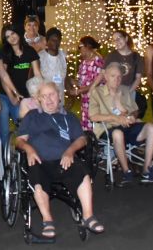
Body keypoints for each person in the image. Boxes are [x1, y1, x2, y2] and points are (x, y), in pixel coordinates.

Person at [17, 82, 104, 239]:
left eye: (52, 95)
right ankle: (47, 220)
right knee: (37, 180)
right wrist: (29, 149)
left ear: (59, 97)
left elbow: (81, 139)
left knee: (82, 173)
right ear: (38, 100)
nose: (48, 99)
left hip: (65, 159)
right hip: (39, 160)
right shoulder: (32, 116)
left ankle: (88, 216)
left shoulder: (69, 117)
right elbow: (19, 140)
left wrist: (70, 151)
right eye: (44, 96)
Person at [90, 61, 153, 185]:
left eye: (119, 77)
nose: (116, 80)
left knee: (152, 128)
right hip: (108, 129)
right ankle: (126, 172)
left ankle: (147, 169)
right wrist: (115, 118)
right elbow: (93, 116)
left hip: (128, 126)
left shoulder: (125, 90)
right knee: (117, 133)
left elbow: (134, 111)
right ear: (105, 76)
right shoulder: (97, 92)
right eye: (113, 76)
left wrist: (132, 116)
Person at [0, 24, 42, 131]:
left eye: (13, 33)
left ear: (17, 33)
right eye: (8, 37)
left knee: (23, 125)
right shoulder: (5, 53)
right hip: (5, 94)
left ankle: (22, 146)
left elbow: (37, 74)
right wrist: (12, 96)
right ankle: (4, 147)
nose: (12, 38)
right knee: (4, 126)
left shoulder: (30, 51)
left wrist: (40, 93)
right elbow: (3, 77)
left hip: (23, 96)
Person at [105, 30, 146, 118]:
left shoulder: (136, 57)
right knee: (116, 115)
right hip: (114, 91)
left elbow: (138, 78)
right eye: (114, 40)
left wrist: (128, 92)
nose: (117, 41)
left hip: (129, 90)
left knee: (130, 115)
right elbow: (104, 74)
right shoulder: (111, 56)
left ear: (126, 38)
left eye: (119, 38)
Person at [70, 36, 105, 132]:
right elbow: (82, 82)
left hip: (96, 100)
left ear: (88, 46)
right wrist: (71, 81)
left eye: (80, 46)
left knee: (96, 127)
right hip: (85, 101)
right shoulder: (84, 63)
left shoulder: (98, 62)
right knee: (86, 127)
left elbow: (95, 83)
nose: (79, 49)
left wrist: (79, 90)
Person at [39, 28, 68, 102]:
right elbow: (32, 78)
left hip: (60, 97)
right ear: (47, 41)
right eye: (53, 40)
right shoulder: (40, 57)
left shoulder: (63, 56)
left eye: (58, 40)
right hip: (45, 99)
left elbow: (65, 77)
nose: (56, 42)